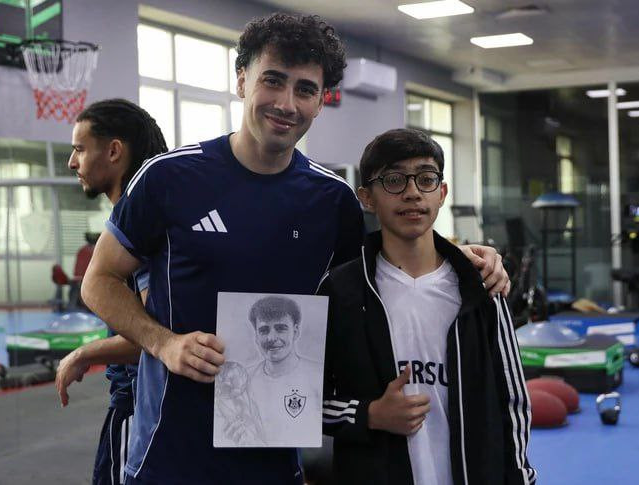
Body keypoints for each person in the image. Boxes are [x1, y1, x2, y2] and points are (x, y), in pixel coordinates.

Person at [81, 13, 509, 485]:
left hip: (276, 459)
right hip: (169, 459)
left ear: (321, 101)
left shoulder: (333, 201)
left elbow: (381, 270)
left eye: (305, 89)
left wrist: (463, 257)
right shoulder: (167, 177)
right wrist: (164, 343)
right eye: (273, 81)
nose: (287, 104)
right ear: (241, 80)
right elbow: (99, 281)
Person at [319, 128, 536, 485]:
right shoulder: (340, 291)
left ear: (442, 193)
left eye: (425, 179)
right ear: (367, 198)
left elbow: (512, 400)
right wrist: (369, 414)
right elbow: (305, 402)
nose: (412, 192)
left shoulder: (479, 285)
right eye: (393, 180)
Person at [54, 98, 167, 485]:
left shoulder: (145, 227)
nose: (72, 162)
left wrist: (84, 353)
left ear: (114, 151)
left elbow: (153, 336)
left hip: (138, 405)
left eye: (80, 149)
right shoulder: (134, 220)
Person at [244, 296, 322, 446]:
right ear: (256, 336)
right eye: (264, 330)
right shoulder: (243, 380)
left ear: (296, 331)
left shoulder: (318, 375)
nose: (271, 338)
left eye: (280, 328)